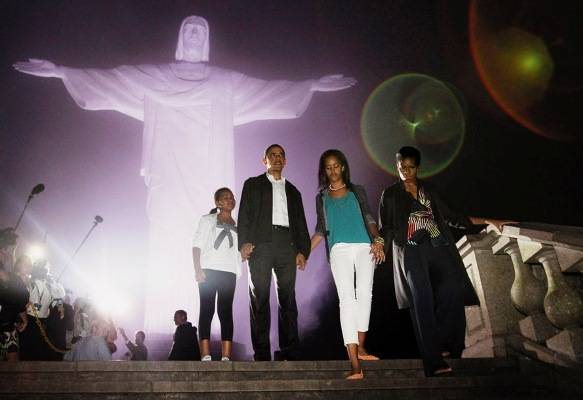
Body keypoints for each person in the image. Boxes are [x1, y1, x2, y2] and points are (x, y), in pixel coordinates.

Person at [13, 16, 356, 334]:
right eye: (188, 28)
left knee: (212, 244)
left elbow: (268, 90)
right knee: (168, 239)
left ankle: (212, 334)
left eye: (201, 29)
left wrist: (311, 85)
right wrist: (61, 71)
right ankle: (165, 321)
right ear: (180, 38)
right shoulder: (157, 77)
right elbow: (112, 79)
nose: (194, 33)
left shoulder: (224, 82)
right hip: (169, 175)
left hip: (208, 175)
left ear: (206, 40)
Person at [378, 146, 510, 376]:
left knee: (451, 290)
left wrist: (489, 220)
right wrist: (379, 244)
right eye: (402, 167)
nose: (406, 172)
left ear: (417, 168)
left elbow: (454, 218)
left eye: (410, 167)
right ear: (396, 167)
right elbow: (386, 227)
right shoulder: (389, 194)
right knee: (422, 301)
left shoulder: (430, 190)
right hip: (410, 252)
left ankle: (446, 343)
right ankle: (433, 361)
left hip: (439, 248)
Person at [310, 149, 384, 379]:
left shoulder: (357, 190)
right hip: (339, 250)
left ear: (343, 167)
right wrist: (303, 252)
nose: (332, 170)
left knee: (365, 294)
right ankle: (354, 363)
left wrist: (378, 240)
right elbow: (321, 229)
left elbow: (369, 218)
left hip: (364, 246)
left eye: (336, 165)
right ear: (324, 170)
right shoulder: (321, 197)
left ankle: (361, 347)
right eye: (327, 167)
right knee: (347, 300)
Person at [238, 144, 310, 361]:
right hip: (260, 244)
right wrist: (244, 242)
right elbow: (244, 215)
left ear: (285, 161)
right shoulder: (252, 185)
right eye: (272, 155)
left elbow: (300, 223)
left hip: (287, 245)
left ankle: (289, 351)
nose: (277, 159)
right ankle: (261, 353)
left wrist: (302, 250)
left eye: (281, 156)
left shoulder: (294, 191)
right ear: (265, 160)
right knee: (259, 297)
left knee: (288, 299)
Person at [193, 188, 241, 361]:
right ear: (218, 203)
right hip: (209, 269)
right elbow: (196, 245)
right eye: (226, 198)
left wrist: (245, 252)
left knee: (225, 311)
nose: (230, 200)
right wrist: (198, 269)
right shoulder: (207, 220)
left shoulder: (239, 224)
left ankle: (226, 355)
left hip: (229, 272)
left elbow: (237, 253)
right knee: (207, 309)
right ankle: (205, 354)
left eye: (232, 197)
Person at [0, 261, 29, 361]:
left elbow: (20, 302)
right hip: (8, 328)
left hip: (8, 328)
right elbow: (20, 302)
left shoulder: (15, 280)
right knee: (12, 366)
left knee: (12, 365)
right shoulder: (15, 280)